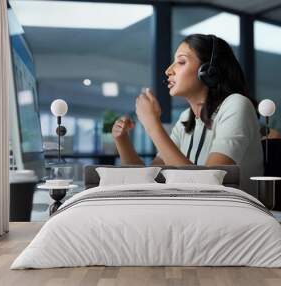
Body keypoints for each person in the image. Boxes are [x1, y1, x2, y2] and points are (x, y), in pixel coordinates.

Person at [112, 34, 263, 194]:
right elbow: (150, 180)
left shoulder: (236, 104)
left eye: (181, 62)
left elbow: (209, 187)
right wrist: (122, 140)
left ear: (208, 72)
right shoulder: (186, 118)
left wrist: (152, 125)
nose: (168, 70)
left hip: (233, 214)